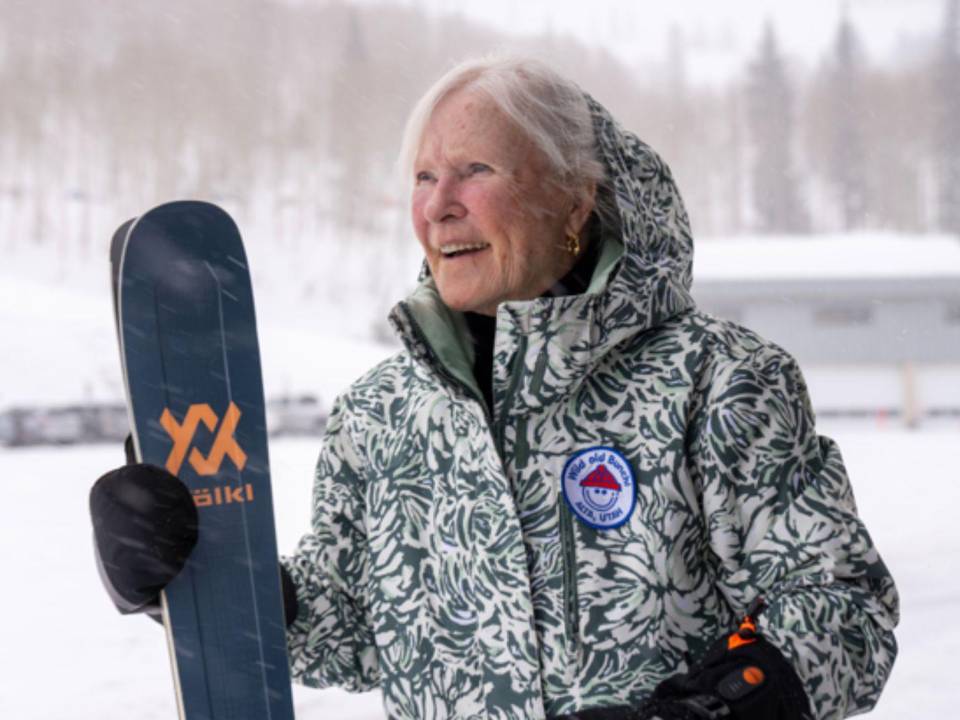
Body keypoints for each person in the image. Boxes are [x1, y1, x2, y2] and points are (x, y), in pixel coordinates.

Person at [90, 56, 899, 720]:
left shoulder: (717, 382)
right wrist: (194, 574)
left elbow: (843, 612)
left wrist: (699, 713)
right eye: (422, 178)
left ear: (573, 200)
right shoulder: (380, 416)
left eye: (474, 170)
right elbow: (347, 633)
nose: (439, 206)